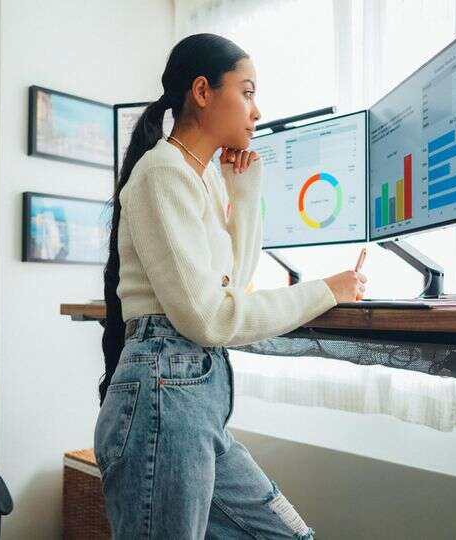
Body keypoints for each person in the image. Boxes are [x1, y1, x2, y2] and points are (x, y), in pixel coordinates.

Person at [95, 33, 367, 539]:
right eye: (246, 92)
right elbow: (211, 317)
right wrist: (326, 290)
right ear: (202, 91)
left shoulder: (202, 178)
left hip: (192, 398)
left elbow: (233, 289)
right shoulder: (162, 172)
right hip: (164, 393)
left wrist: (243, 191)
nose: (257, 110)